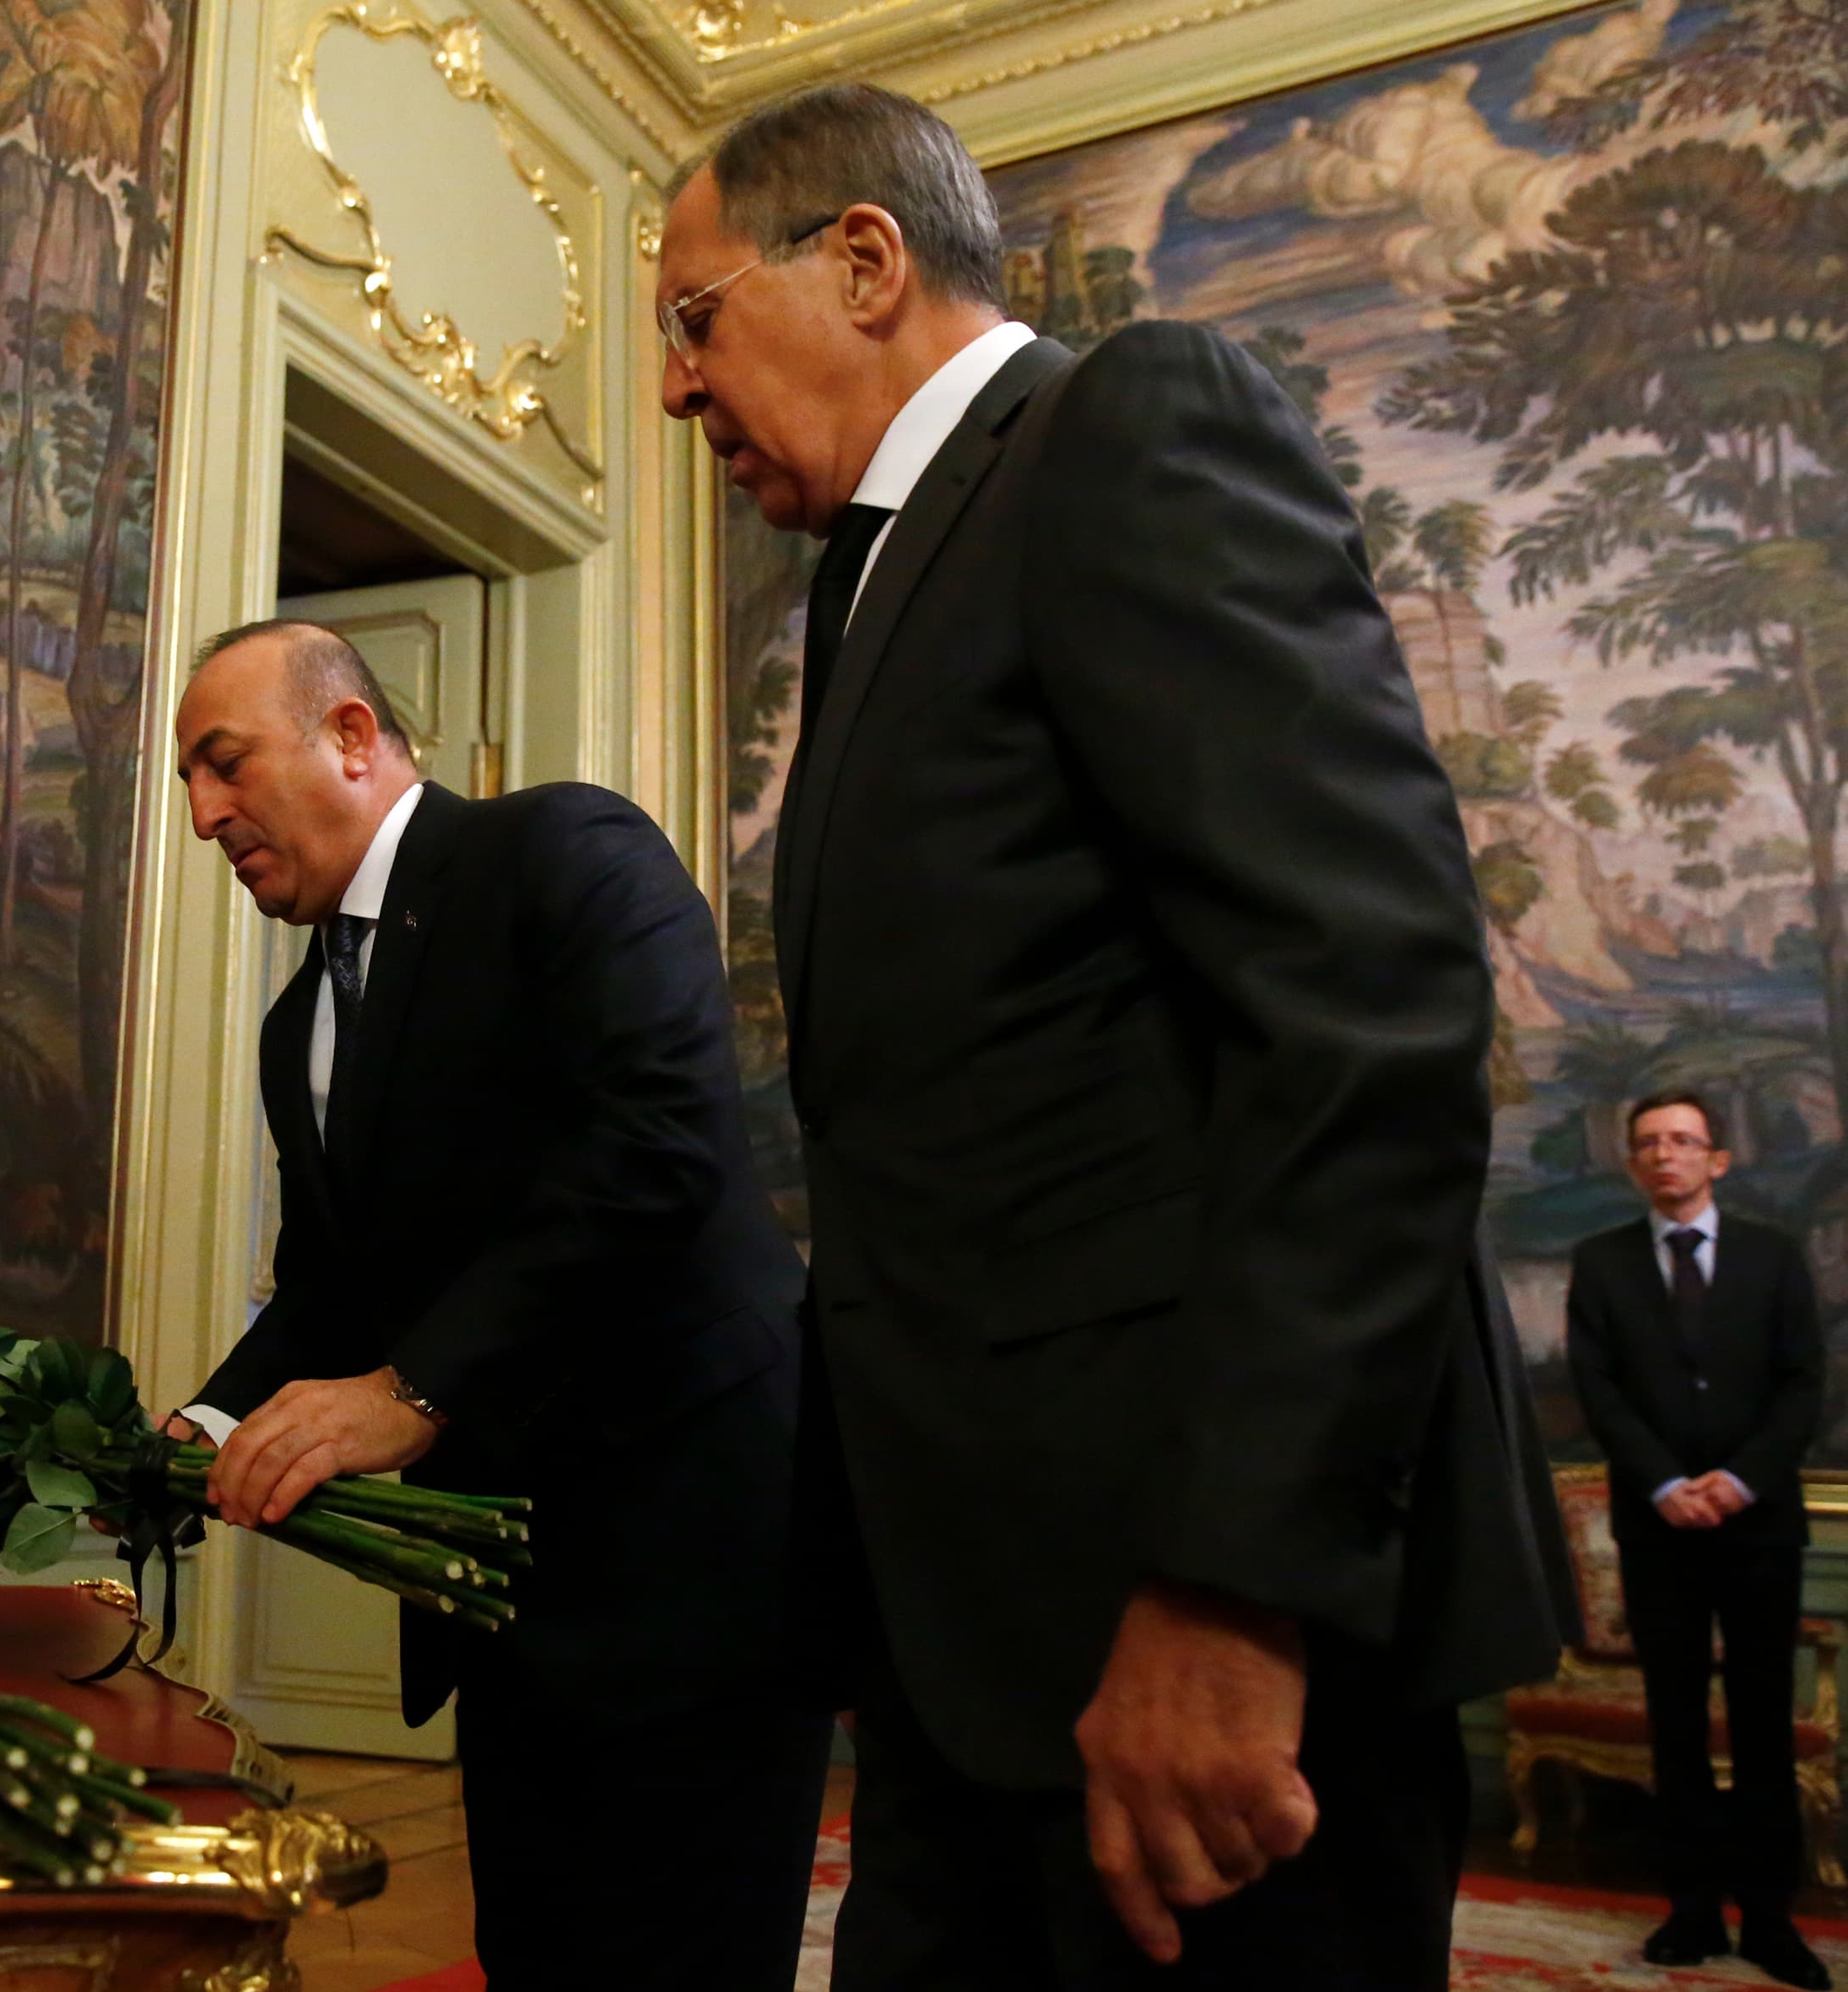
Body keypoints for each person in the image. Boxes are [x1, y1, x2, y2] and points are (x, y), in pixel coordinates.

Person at [657, 81, 1567, 1989]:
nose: (677, 391)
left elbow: (1368, 1005)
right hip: (974, 1634)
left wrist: (1234, 1590)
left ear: (865, 260)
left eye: (692, 319)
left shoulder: (1124, 425)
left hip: (1194, 1635)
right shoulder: (878, 577)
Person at [170, 620, 829, 1991]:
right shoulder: (301, 1027)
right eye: (190, 783)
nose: (201, 816)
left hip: (690, 1556)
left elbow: (656, 1144)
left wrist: (411, 1394)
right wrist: (197, 1427)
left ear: (351, 736)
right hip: (505, 1596)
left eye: (221, 766)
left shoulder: (561, 853)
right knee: (536, 1948)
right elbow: (332, 1287)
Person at [1566, 1089, 1828, 1989]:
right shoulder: (1598, 1264)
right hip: (1657, 1526)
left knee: (1759, 1723)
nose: (1662, 1155)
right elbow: (1596, 1390)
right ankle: (1688, 1912)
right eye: (1646, 1143)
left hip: (1758, 1525)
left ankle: (1767, 1920)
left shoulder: (1772, 1256)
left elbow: (1801, 1386)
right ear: (1632, 1164)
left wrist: (1740, 1479)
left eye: (1680, 1141)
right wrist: (1667, 1485)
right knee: (1672, 1723)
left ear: (1716, 1160)